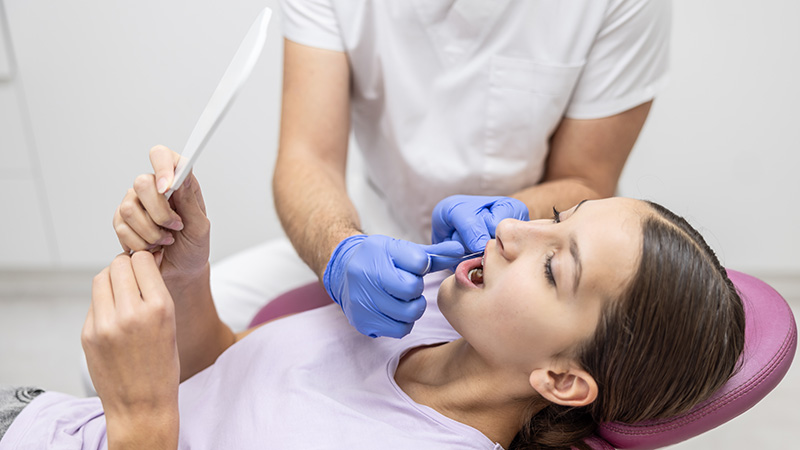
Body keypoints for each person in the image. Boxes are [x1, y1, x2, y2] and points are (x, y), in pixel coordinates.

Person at [1, 163, 744, 450]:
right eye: (559, 217)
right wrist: (188, 274)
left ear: (562, 379)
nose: (514, 227)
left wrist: (139, 417)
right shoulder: (420, 307)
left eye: (557, 267)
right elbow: (227, 379)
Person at [131, 0, 673, 338]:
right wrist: (341, 252)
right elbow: (307, 159)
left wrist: (513, 219)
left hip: (514, 258)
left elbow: (586, 178)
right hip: (367, 229)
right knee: (135, 343)